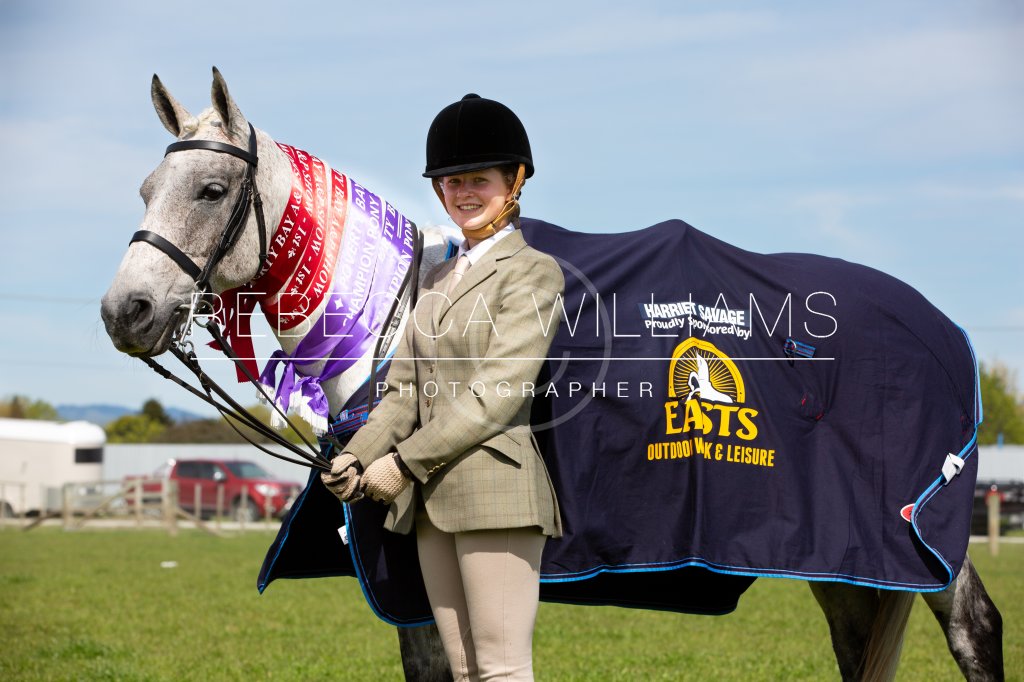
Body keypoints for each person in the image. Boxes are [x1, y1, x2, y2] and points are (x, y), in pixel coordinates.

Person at [322, 93, 564, 682]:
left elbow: (498, 393)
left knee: (501, 668)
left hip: (495, 490)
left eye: (479, 180)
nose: (464, 193)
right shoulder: (434, 278)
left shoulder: (534, 272)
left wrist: (402, 463)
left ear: (514, 182)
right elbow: (403, 391)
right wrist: (357, 456)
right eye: (453, 182)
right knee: (463, 670)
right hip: (431, 499)